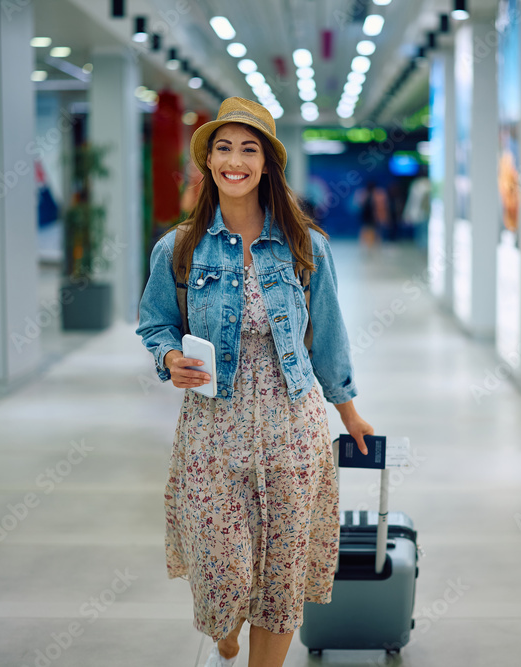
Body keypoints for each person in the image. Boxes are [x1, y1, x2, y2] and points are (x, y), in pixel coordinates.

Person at [136, 97, 374, 667]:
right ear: (209, 161)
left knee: (280, 579)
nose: (235, 160)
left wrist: (348, 410)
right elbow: (156, 323)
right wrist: (169, 357)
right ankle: (225, 624)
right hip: (212, 430)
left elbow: (330, 334)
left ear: (267, 164)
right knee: (223, 572)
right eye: (224, 148)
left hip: (292, 428)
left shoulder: (304, 246)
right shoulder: (179, 248)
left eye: (249, 149)